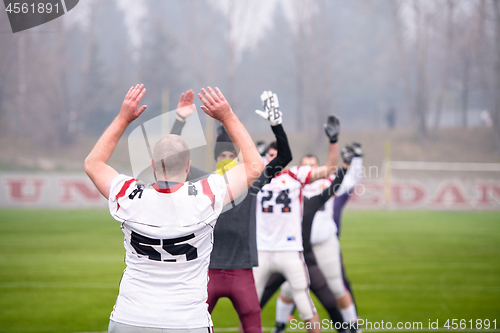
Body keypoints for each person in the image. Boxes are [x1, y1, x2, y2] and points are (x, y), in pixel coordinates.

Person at [84, 84, 264, 332]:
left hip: (129, 317)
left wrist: (123, 118)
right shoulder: (206, 196)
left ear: (153, 165)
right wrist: (227, 116)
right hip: (187, 322)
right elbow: (254, 165)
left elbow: (93, 163)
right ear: (188, 166)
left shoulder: (128, 195)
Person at [170, 90, 293, 333]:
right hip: (208, 270)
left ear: (237, 158)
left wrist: (276, 125)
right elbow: (171, 156)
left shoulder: (251, 181)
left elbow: (285, 157)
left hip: (242, 270)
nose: (225, 159)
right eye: (221, 155)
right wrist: (180, 120)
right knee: (190, 327)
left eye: (230, 155)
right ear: (215, 158)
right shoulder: (202, 181)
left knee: (252, 327)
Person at [253, 109, 341, 333]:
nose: (273, 160)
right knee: (249, 307)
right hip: (262, 250)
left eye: (276, 155)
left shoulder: (295, 175)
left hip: (289, 249)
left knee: (304, 304)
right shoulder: (255, 178)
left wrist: (333, 141)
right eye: (269, 156)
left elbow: (330, 168)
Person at [261, 144, 364, 333]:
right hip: (292, 248)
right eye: (305, 166)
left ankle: (351, 327)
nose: (309, 169)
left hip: (323, 244)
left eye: (313, 165)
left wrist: (354, 161)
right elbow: (264, 180)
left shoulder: (327, 182)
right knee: (286, 290)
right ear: (299, 169)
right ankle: (279, 325)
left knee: (335, 287)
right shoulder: (291, 186)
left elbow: (348, 181)